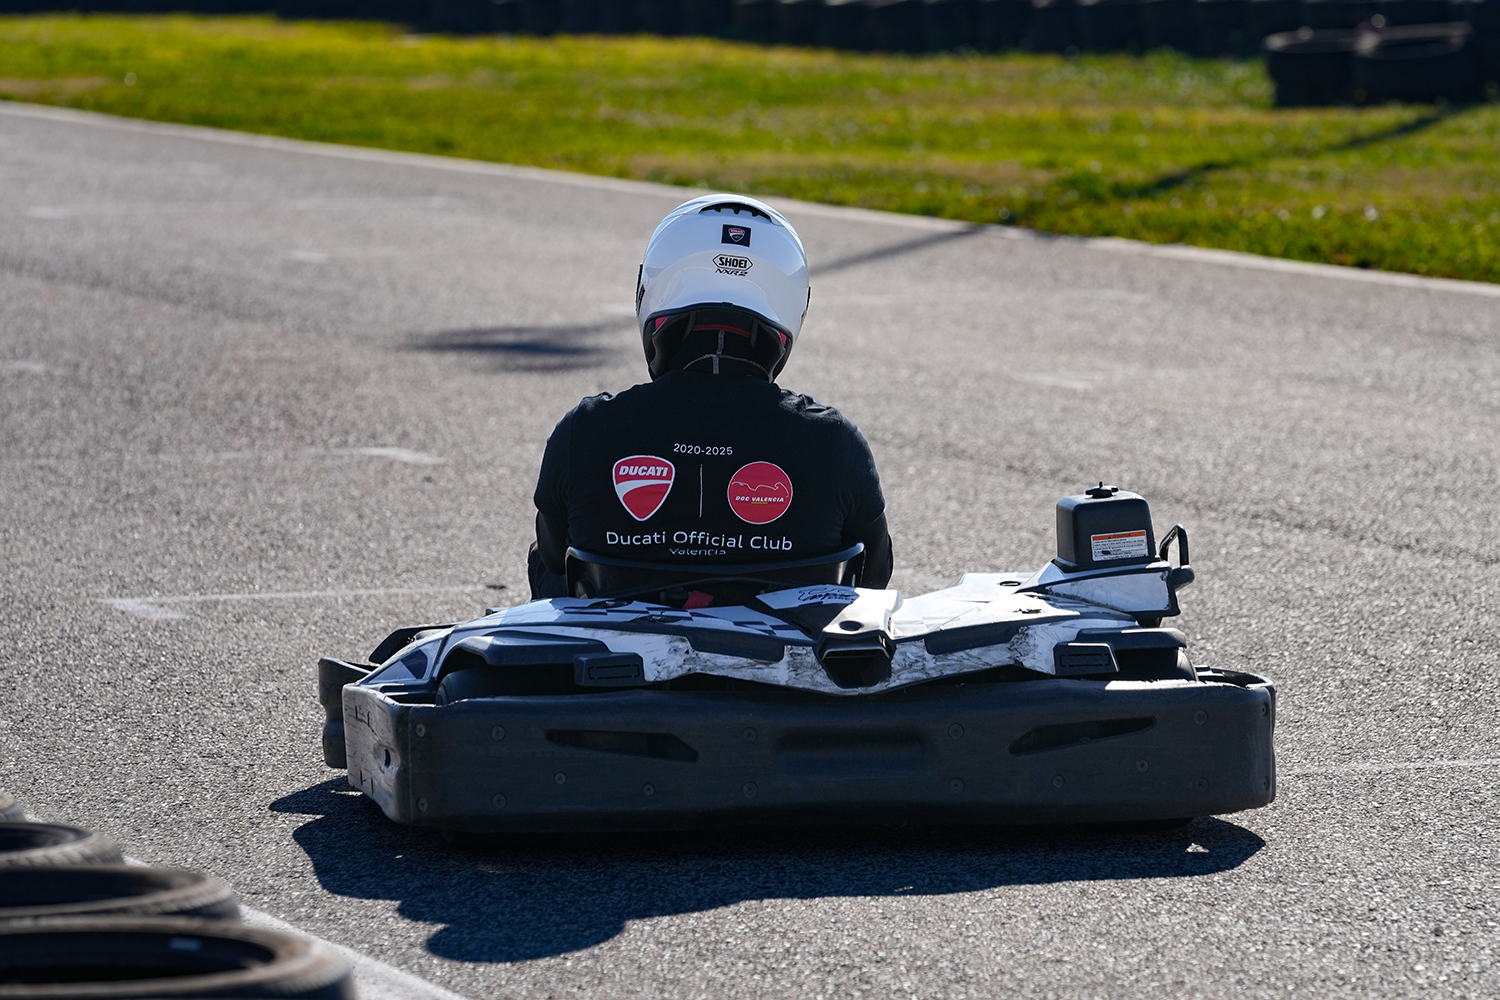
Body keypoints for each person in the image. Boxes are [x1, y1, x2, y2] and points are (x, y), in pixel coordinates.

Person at [529, 194, 892, 601]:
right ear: (795, 305)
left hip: (617, 641)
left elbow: (553, 555)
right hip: (782, 643)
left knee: (544, 562)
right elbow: (874, 575)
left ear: (649, 291)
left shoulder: (586, 430)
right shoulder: (833, 441)